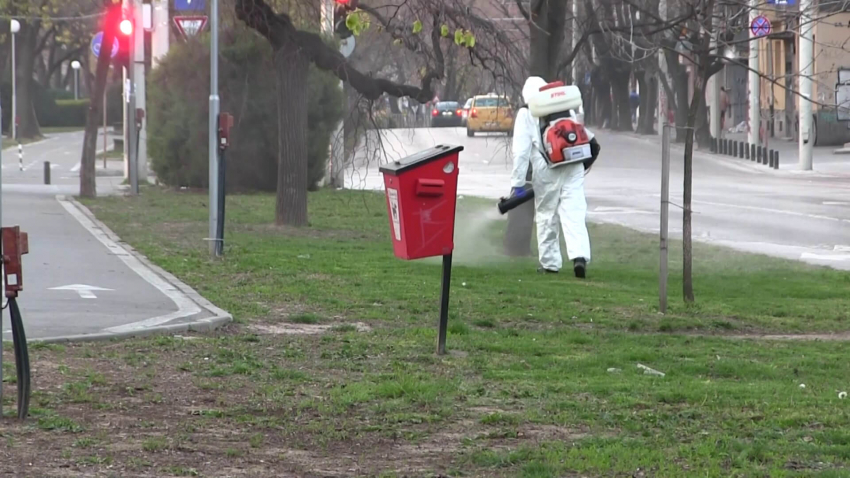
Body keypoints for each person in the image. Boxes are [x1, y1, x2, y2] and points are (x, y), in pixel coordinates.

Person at [509, 76, 600, 278]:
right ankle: (579, 257)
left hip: (548, 168)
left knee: (546, 215)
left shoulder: (526, 113)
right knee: (574, 213)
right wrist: (582, 165)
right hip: (573, 164)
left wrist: (517, 184)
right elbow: (589, 139)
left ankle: (550, 264)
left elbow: (521, 153)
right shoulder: (563, 107)